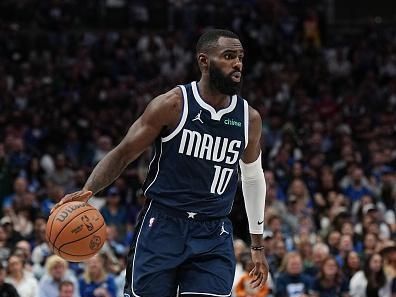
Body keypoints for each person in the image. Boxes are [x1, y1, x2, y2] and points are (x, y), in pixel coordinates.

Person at [52, 29, 269, 297]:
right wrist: (88, 191)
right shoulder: (173, 105)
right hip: (163, 224)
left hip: (214, 232)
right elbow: (123, 153)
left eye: (240, 57)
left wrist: (257, 245)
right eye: (228, 56)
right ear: (204, 61)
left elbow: (252, 178)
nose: (237, 63)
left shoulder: (249, 118)